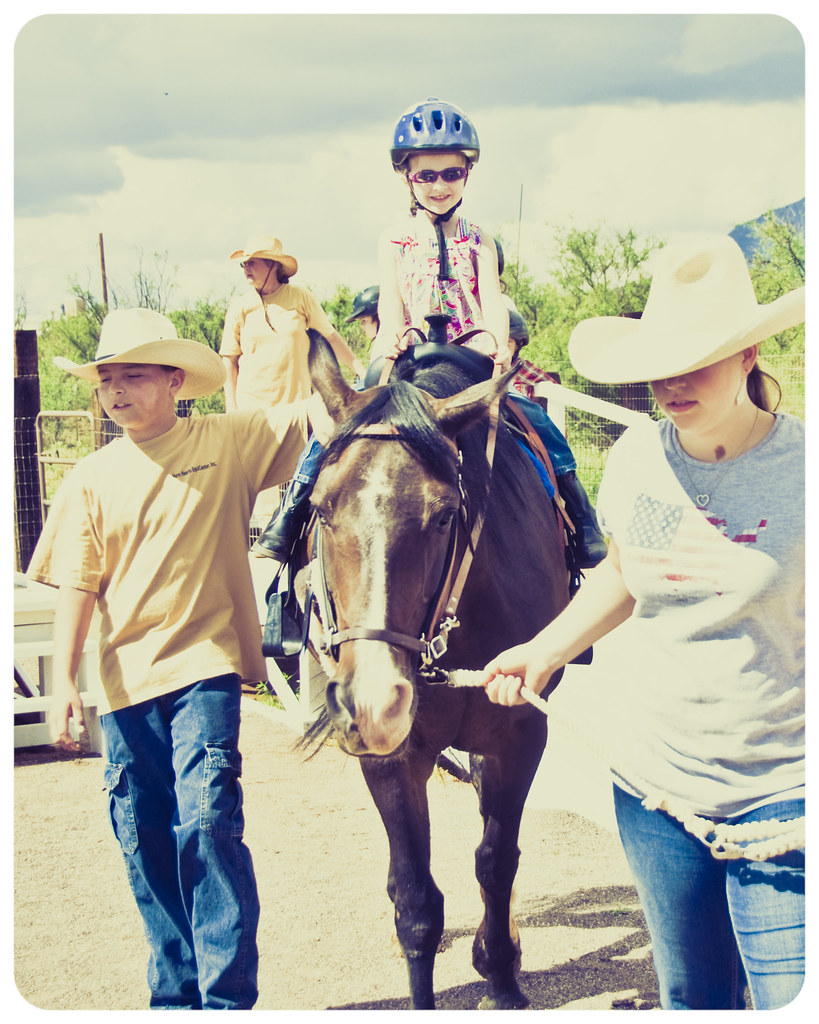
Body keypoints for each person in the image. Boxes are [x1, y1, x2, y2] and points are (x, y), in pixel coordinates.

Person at [481, 235, 805, 1011]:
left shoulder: (804, 469)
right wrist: (541, 650)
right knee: (691, 999)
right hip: (657, 790)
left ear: (747, 354)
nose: (672, 382)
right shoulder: (637, 460)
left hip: (784, 796)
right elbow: (625, 574)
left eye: (696, 358)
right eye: (660, 363)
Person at [27, 307, 328, 1010]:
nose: (116, 392)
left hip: (207, 667)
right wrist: (66, 682)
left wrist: (366, 344)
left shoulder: (230, 440)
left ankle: (224, 1002)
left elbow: (323, 409)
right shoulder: (91, 479)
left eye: (133, 376)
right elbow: (78, 584)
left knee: (206, 820)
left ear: (173, 380)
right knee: (144, 840)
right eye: (106, 382)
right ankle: (175, 998)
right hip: (124, 682)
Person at [250, 287, 379, 560]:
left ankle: (290, 509)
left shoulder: (390, 343)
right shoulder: (388, 344)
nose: (364, 328)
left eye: (365, 321)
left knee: (327, 421)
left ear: (378, 318)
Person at [220, 234, 366, 412]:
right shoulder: (239, 307)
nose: (246, 267)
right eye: (244, 263)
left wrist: (361, 370)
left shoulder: (300, 297)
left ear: (272, 264)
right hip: (251, 413)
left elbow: (331, 337)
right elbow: (229, 361)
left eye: (252, 262)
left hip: (296, 410)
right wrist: (232, 409)